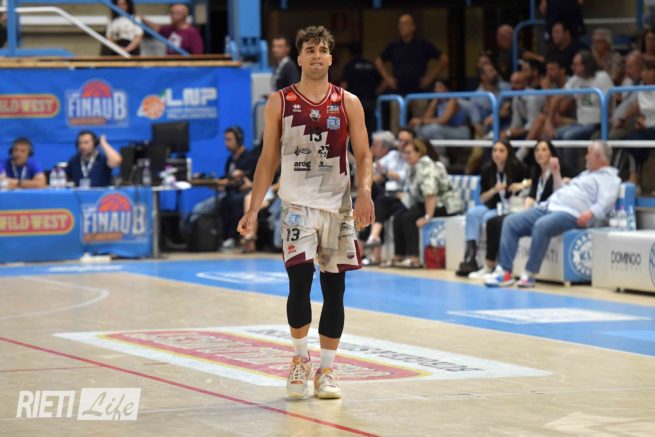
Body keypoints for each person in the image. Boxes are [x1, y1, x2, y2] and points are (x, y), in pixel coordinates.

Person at [237, 26, 374, 400]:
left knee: (335, 290)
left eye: (323, 50)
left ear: (331, 58)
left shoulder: (348, 102)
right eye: (310, 50)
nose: (316, 55)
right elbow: (267, 158)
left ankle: (326, 370)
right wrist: (254, 207)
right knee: (299, 282)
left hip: (338, 206)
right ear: (298, 57)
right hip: (297, 204)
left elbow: (364, 155)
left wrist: (365, 193)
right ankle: (300, 359)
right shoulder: (280, 102)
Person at [486, 141, 620, 288]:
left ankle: (529, 274)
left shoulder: (610, 179)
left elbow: (606, 202)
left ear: (598, 156)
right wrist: (556, 173)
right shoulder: (585, 174)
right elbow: (559, 190)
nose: (586, 156)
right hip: (549, 207)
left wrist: (589, 214)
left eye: (589, 153)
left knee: (542, 225)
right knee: (511, 222)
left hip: (571, 214)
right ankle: (505, 271)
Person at [468, 140, 574, 279]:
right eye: (537, 150)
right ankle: (497, 268)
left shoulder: (558, 170)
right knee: (500, 221)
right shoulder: (536, 171)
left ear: (552, 153)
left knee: (499, 221)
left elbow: (561, 191)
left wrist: (524, 185)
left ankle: (526, 272)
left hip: (551, 211)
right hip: (529, 209)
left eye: (544, 150)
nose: (539, 153)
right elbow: (532, 195)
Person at [378, 139, 461, 268]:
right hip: (425, 202)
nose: (406, 156)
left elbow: (430, 193)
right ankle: (399, 255)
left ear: (419, 153)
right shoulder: (411, 167)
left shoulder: (426, 167)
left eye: (409, 153)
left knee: (409, 217)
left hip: (445, 204)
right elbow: (413, 193)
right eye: (404, 153)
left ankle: (414, 257)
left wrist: (428, 217)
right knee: (398, 215)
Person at [456, 140, 528, 276]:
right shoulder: (487, 169)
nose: (497, 154)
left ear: (508, 152)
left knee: (490, 219)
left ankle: (492, 262)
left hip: (510, 208)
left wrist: (521, 185)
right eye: (494, 150)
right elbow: (482, 198)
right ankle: (470, 257)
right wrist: (494, 190)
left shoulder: (518, 167)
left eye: (501, 151)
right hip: (491, 206)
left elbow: (531, 180)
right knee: (472, 213)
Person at [186, 126, 257, 249]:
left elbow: (236, 178)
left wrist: (220, 182)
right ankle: (222, 237)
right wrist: (214, 183)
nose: (226, 143)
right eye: (225, 140)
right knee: (220, 202)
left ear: (239, 140)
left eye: (229, 140)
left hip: (246, 193)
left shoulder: (248, 157)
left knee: (233, 201)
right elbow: (227, 178)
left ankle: (235, 238)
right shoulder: (230, 159)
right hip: (230, 193)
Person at [554, 50, 613, 170]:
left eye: (576, 64)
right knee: (558, 133)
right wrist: (549, 120)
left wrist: (606, 121)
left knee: (568, 137)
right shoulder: (576, 79)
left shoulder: (601, 77)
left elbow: (611, 99)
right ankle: (561, 170)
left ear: (587, 65)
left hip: (596, 123)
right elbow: (558, 96)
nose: (573, 67)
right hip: (580, 123)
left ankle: (571, 172)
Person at [340, 42, 381, 137]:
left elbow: (343, 85)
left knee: (355, 129)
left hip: (355, 103)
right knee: (370, 128)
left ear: (350, 53)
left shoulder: (350, 66)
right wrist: (376, 92)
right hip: (370, 101)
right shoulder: (371, 65)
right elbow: (382, 82)